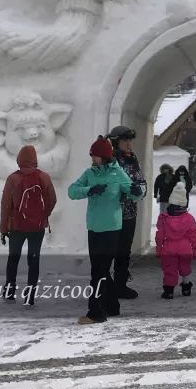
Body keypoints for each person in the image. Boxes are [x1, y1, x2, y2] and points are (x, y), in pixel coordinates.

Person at [67, 135, 133, 324]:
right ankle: (112, 306)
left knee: (99, 271)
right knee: (101, 270)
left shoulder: (117, 174)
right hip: (94, 228)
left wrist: (135, 192)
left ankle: (95, 312)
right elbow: (72, 191)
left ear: (104, 156)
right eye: (92, 155)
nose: (92, 159)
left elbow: (133, 191)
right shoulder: (90, 174)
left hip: (112, 229)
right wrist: (89, 190)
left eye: (95, 155)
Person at [0, 144, 56, 304]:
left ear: (19, 160)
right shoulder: (44, 177)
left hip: (17, 227)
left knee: (13, 259)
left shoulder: (13, 179)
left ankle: (10, 291)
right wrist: (43, 216)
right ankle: (30, 295)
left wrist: (4, 229)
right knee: (34, 259)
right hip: (37, 227)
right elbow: (52, 200)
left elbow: (5, 206)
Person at [107, 126, 146, 300]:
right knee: (109, 251)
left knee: (124, 251)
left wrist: (141, 189)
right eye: (125, 140)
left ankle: (120, 285)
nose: (129, 144)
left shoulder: (132, 158)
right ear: (116, 142)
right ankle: (106, 285)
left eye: (130, 140)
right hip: (112, 214)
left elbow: (139, 178)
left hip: (130, 212)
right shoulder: (109, 160)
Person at [155, 179, 196, 299]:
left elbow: (160, 235)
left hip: (169, 248)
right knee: (185, 268)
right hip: (185, 248)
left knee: (170, 270)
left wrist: (158, 249)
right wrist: (194, 249)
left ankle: (169, 291)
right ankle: (186, 288)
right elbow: (193, 235)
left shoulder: (164, 218)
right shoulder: (189, 218)